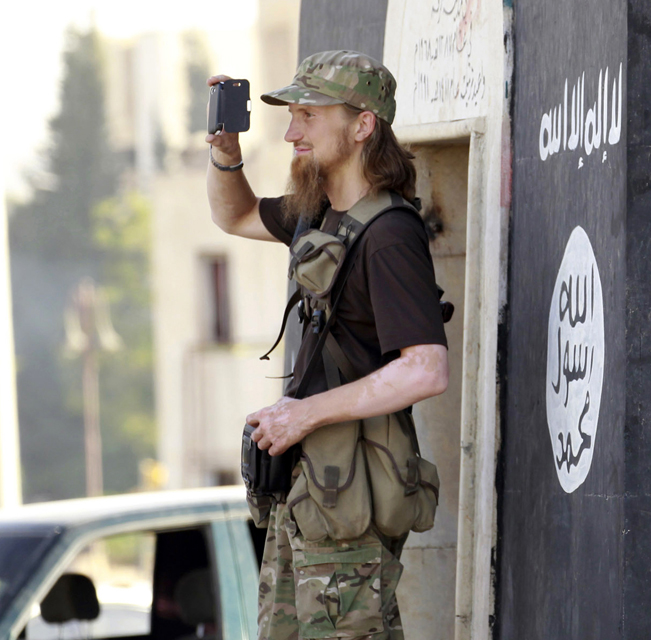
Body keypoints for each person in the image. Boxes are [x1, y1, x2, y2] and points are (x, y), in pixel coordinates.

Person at [205, 50, 448, 640]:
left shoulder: (390, 236)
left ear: (363, 125)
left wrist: (301, 413)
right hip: (315, 492)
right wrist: (225, 154)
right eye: (293, 116)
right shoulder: (323, 212)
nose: (292, 132)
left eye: (310, 115)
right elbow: (233, 216)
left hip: (352, 499)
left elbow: (426, 369)